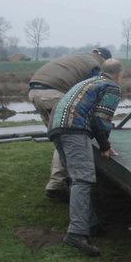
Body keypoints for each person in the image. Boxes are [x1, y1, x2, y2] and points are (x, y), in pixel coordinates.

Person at [47, 58, 123, 257]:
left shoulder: (87, 82)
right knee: (83, 179)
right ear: (119, 74)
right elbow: (101, 119)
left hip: (56, 126)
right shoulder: (112, 87)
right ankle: (76, 234)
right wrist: (105, 146)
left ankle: (91, 223)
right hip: (74, 128)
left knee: (75, 176)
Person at [28, 47, 112, 199]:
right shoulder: (96, 67)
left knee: (60, 137)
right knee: (69, 135)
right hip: (53, 93)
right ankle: (63, 183)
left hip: (35, 91)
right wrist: (103, 141)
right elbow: (92, 97)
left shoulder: (82, 58)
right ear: (105, 60)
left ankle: (57, 182)